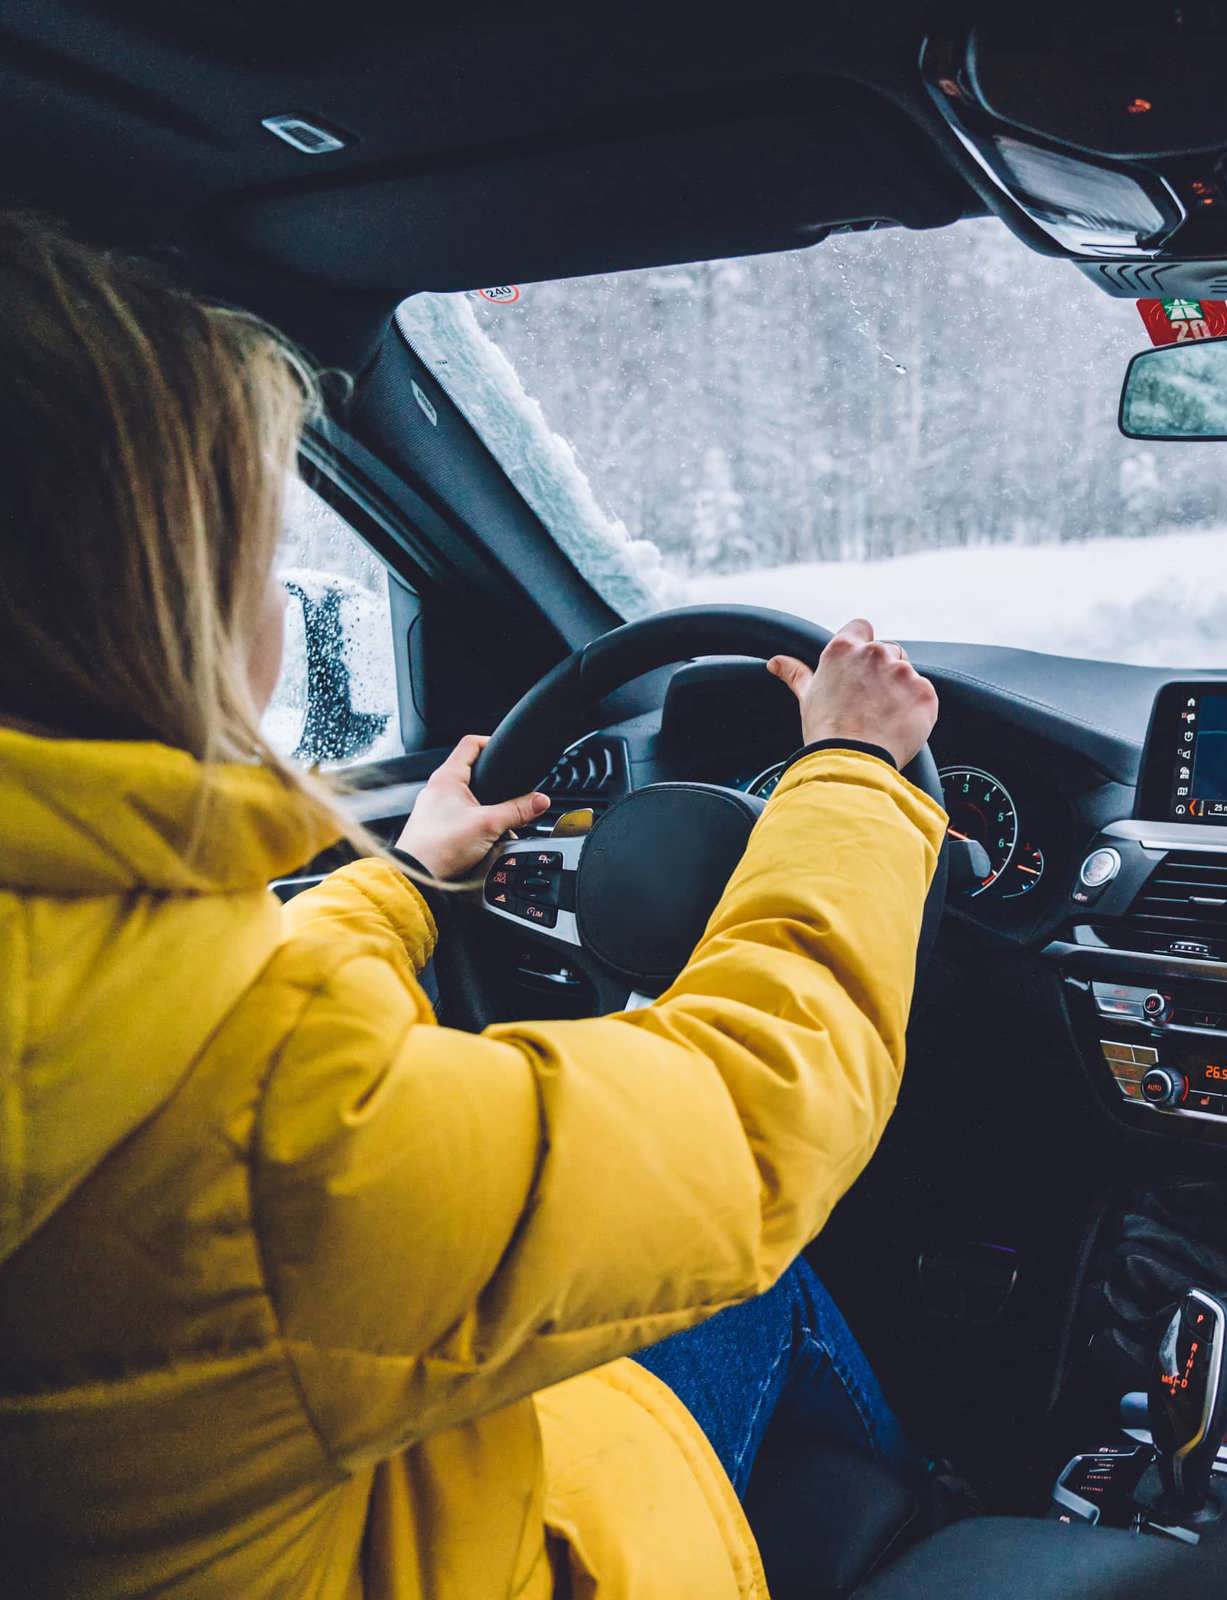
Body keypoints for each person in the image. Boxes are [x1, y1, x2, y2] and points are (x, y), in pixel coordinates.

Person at [0, 213, 948, 1597]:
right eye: (257, 553)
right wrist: (857, 775)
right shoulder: (264, 1129)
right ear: (158, 605)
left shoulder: (92, 1004)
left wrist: (397, 883)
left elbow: (195, 1025)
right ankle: (933, 1534)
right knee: (765, 1277)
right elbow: (756, 1114)